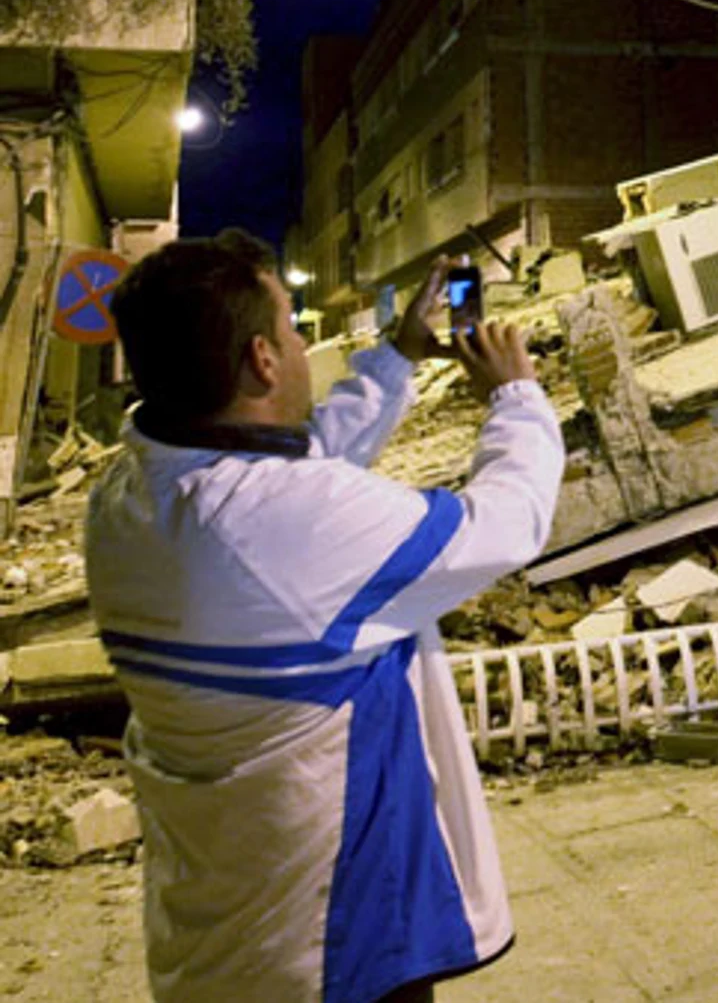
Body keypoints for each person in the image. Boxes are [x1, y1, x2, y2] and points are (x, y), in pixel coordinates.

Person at [84, 229, 563, 1003]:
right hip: (335, 941)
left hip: (223, 934)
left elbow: (297, 470)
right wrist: (515, 397)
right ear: (263, 361)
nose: (304, 347)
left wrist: (396, 357)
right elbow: (505, 521)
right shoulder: (278, 524)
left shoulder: (129, 498)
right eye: (292, 330)